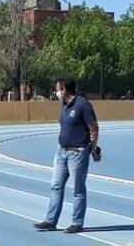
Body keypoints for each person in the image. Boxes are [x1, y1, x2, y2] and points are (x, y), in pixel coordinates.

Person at [33, 78, 99, 234]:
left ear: (65, 90)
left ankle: (77, 222)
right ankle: (51, 220)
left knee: (78, 189)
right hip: (61, 151)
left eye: (58, 89)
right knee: (56, 186)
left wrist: (93, 148)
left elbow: (94, 128)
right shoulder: (64, 106)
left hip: (77, 153)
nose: (56, 93)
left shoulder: (83, 105)